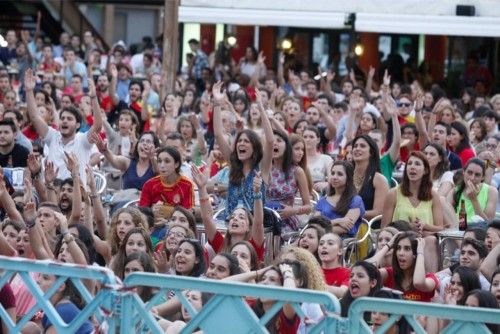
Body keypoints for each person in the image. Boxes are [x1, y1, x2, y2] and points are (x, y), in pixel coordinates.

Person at [25, 69, 102, 184]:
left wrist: (94, 98)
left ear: (78, 125)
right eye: (62, 118)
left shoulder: (83, 139)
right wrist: (29, 90)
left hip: (76, 195)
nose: (64, 121)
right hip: (52, 193)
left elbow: (97, 126)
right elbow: (35, 117)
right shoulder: (52, 136)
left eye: (69, 119)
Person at [192, 164, 265, 262]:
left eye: (241, 217)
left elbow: (258, 222)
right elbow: (207, 218)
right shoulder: (220, 243)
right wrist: (202, 189)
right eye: (232, 217)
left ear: (249, 227)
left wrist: (257, 194)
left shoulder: (254, 246)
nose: (235, 218)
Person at [267, 129, 311, 234]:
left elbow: (308, 207)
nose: (301, 152)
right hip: (265, 217)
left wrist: (293, 211)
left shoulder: (297, 171)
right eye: (297, 149)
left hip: (286, 221)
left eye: (302, 149)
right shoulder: (265, 167)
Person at [377, 232, 439, 302]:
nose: (401, 253)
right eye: (398, 248)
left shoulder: (430, 278)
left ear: (415, 253)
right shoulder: (389, 273)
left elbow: (418, 283)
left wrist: (420, 253)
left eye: (407, 249)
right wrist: (388, 245)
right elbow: (367, 270)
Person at [315, 161, 365, 236]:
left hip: (343, 244)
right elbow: (314, 224)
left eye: (340, 174)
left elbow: (344, 228)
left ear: (348, 178)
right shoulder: (322, 201)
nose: (334, 177)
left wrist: (321, 229)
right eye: (332, 173)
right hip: (320, 240)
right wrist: (337, 221)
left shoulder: (355, 201)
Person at [448, 158, 498, 224]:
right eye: (469, 172)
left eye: (477, 175)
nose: (472, 178)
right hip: (458, 229)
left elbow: (487, 223)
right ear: (464, 172)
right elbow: (446, 216)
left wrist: (474, 199)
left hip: (479, 231)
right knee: (442, 200)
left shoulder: (491, 192)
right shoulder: (455, 191)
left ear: (483, 177)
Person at [351, 135, 389, 220]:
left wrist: (352, 214)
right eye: (355, 146)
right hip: (343, 224)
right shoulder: (347, 176)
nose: (357, 148)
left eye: (362, 146)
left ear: (371, 152)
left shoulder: (379, 179)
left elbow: (378, 212)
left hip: (369, 228)